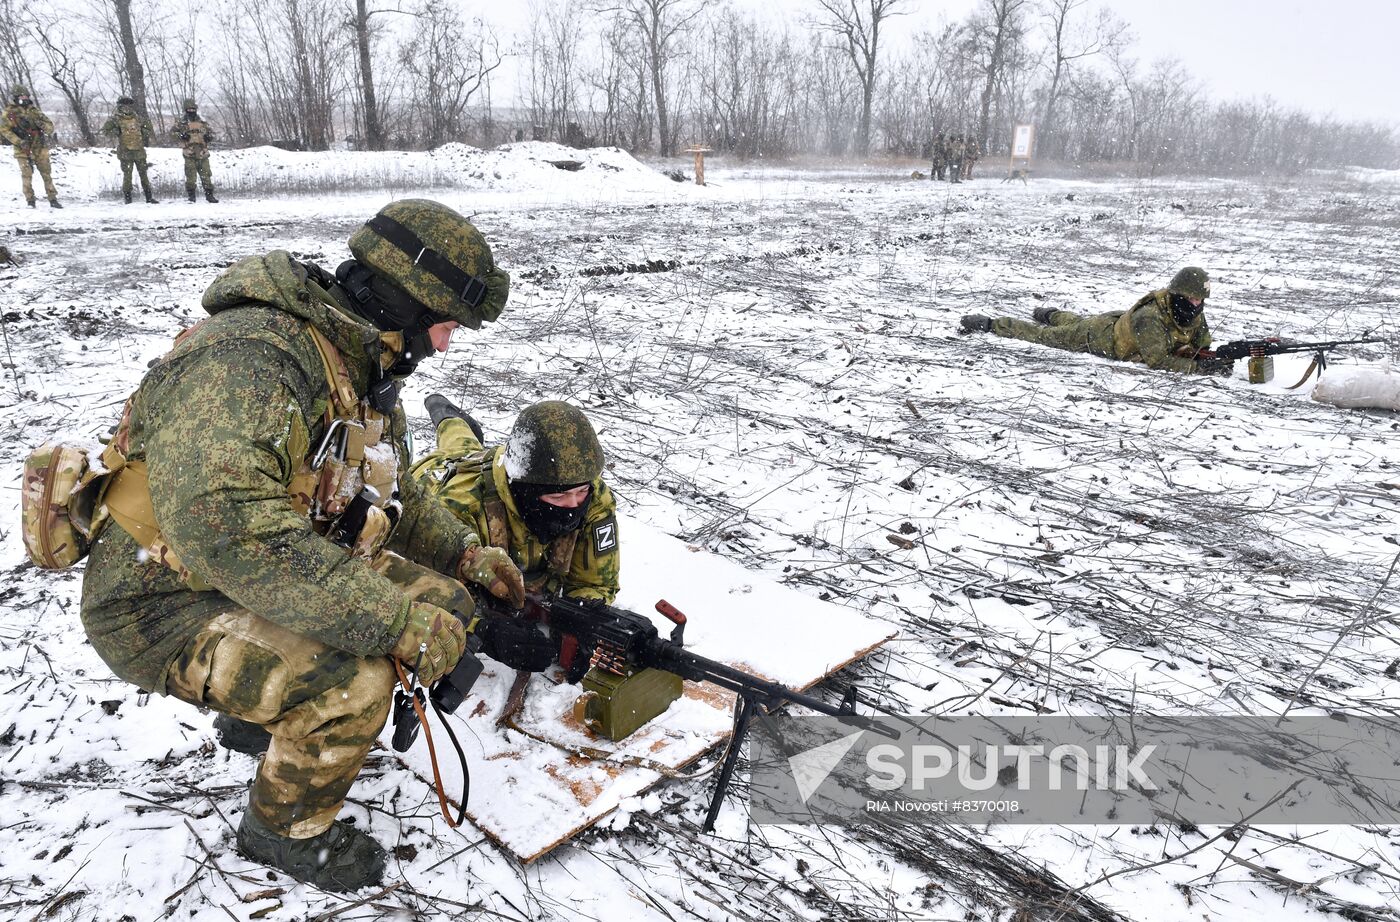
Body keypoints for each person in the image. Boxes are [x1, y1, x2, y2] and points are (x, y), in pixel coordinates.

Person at [80, 199, 559, 892]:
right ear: (406, 302)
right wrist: (392, 623)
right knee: (353, 679)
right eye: (447, 326)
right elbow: (230, 531)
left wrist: (464, 555)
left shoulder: (359, 363)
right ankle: (284, 831)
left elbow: (395, 491)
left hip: (254, 570)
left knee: (447, 601)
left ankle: (265, 721)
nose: (447, 345)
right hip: (160, 600)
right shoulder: (251, 359)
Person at [408, 397, 620, 607]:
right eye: (557, 497)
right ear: (525, 491)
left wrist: (584, 620)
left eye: (581, 491)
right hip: (431, 476)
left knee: (465, 444)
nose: (573, 504)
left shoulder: (594, 497)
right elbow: (437, 595)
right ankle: (446, 415)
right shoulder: (462, 505)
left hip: (504, 465)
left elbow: (597, 584)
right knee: (456, 446)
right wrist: (485, 628)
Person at [959, 267, 1233, 375]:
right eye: (1192, 299)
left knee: (1073, 321)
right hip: (1098, 338)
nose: (1197, 305)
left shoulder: (1190, 309)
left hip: (1113, 323)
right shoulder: (1150, 317)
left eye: (1200, 300)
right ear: (1178, 294)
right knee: (1045, 336)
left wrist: (1211, 356)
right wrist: (1199, 368)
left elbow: (1201, 341)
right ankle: (992, 324)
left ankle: (1049, 314)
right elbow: (1158, 360)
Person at [1, 85, 62, 208]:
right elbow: (4, 130)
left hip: (39, 146)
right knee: (26, 174)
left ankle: (52, 199)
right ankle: (30, 200)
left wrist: (42, 125)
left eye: (25, 96)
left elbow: (50, 127)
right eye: (21, 96)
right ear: (16, 97)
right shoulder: (9, 113)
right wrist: (19, 141)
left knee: (46, 173)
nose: (24, 99)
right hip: (22, 148)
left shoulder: (35, 111)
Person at [101, 96, 157, 204]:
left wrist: (143, 132)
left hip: (139, 151)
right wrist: (117, 131)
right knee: (127, 176)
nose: (127, 107)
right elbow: (105, 131)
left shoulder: (138, 118)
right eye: (124, 105)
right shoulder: (115, 119)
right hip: (125, 152)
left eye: (129, 105)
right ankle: (128, 198)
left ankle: (149, 197)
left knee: (144, 175)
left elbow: (148, 128)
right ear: (120, 106)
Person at [170, 97, 217, 203]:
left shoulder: (202, 121)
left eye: (193, 109)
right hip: (189, 152)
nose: (191, 111)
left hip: (202, 152)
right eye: (189, 109)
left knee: (206, 175)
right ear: (185, 110)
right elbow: (172, 134)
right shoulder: (181, 123)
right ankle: (191, 196)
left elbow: (212, 133)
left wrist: (209, 137)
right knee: (190, 176)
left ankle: (209, 195)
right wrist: (181, 135)